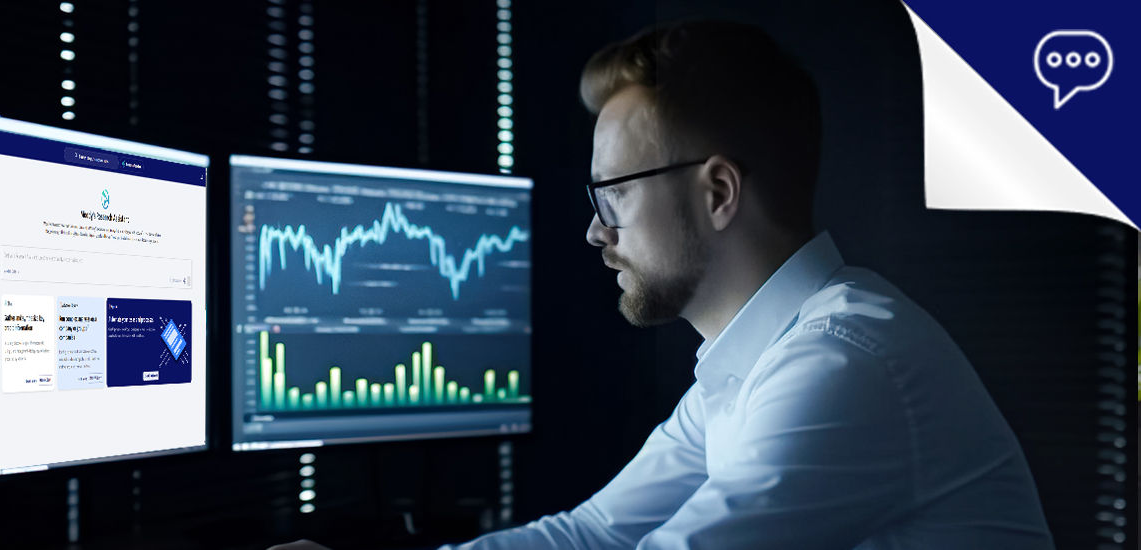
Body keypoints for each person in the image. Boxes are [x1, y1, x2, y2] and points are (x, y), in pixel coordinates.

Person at [274, 18, 1054, 550]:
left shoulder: (842, 364)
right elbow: (592, 534)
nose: (594, 231)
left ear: (718, 193)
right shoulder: (747, 369)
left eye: (613, 193)